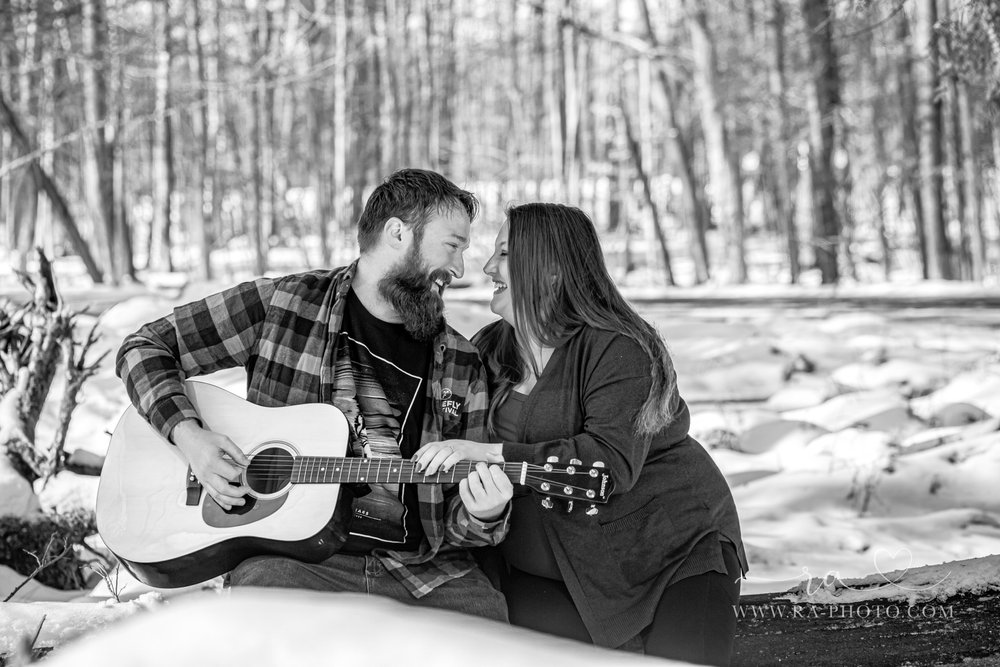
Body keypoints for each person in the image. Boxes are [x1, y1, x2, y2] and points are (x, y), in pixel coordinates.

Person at [116, 168, 513, 621]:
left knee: (492, 629)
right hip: (295, 563)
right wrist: (191, 439)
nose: (460, 269)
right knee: (264, 610)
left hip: (421, 575)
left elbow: (462, 525)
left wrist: (483, 513)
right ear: (398, 233)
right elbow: (144, 347)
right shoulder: (283, 306)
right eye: (453, 245)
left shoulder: (462, 364)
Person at [413, 203, 748, 664]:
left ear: (550, 271)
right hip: (548, 571)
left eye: (505, 253)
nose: (488, 266)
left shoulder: (618, 349)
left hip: (668, 554)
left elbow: (606, 463)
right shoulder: (489, 350)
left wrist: (492, 454)